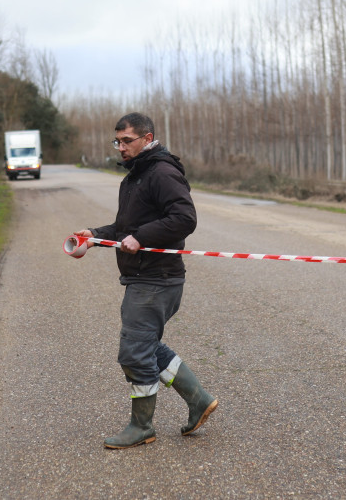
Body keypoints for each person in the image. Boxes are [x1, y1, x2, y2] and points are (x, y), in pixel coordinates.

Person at [73, 112, 218, 449]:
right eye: (117, 141)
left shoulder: (162, 172)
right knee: (147, 344)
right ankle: (198, 400)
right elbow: (125, 229)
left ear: (147, 137)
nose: (121, 147)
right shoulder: (136, 177)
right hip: (143, 276)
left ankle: (142, 427)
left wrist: (142, 236)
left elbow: (184, 218)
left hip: (157, 279)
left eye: (127, 141)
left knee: (135, 352)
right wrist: (94, 235)